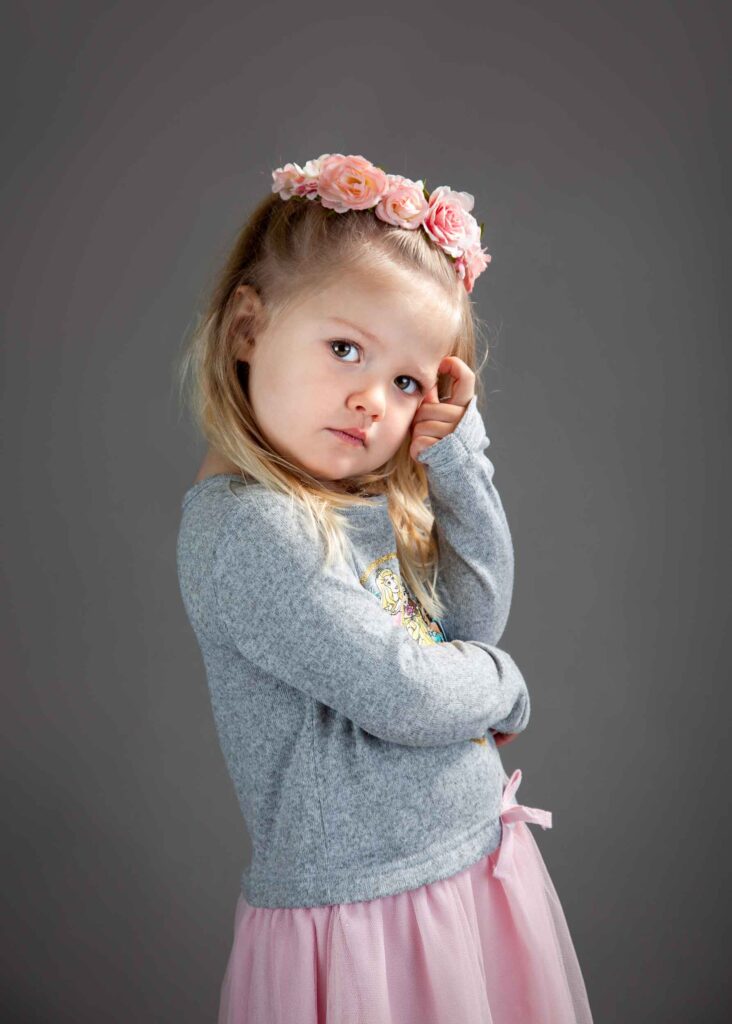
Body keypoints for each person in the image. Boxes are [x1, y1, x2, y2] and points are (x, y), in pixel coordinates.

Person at [175, 152, 594, 1023]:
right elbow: (404, 692)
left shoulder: (349, 504)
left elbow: (473, 616)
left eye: (406, 381)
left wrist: (458, 460)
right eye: (344, 349)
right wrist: (505, 689)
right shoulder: (252, 532)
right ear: (247, 327)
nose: (372, 401)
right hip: (372, 921)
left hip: (468, 868)